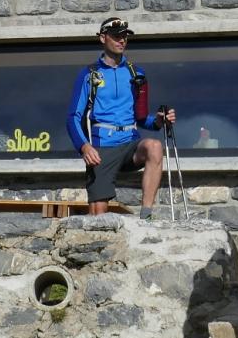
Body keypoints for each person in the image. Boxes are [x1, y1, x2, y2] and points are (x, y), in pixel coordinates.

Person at [67, 17, 175, 216]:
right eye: (117, 36)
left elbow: (141, 117)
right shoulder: (89, 74)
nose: (122, 41)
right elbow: (74, 116)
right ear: (103, 38)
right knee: (97, 215)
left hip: (130, 143)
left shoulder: (136, 73)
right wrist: (84, 146)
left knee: (154, 146)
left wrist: (159, 121)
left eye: (125, 37)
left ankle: (146, 214)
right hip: (102, 147)